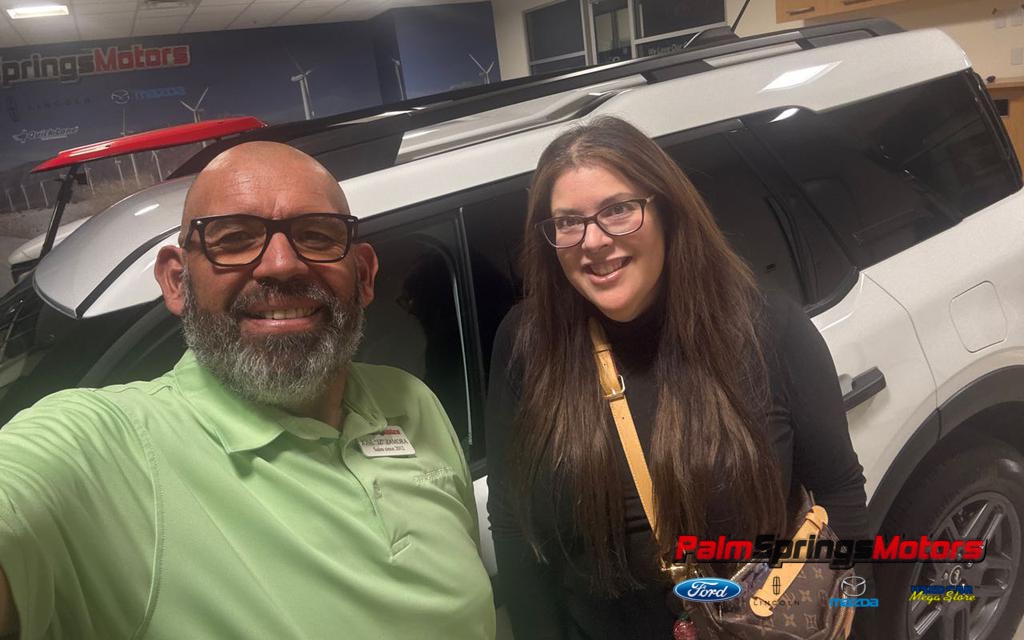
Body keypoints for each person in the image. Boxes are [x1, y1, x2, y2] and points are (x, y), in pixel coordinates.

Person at [0, 142, 495, 640]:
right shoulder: (108, 449)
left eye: (316, 235)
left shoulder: (411, 401)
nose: (281, 264)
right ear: (177, 282)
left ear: (364, 276)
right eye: (234, 238)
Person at [485, 118, 868, 640]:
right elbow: (510, 522)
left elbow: (839, 494)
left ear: (665, 209)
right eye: (568, 222)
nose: (593, 241)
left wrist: (843, 618)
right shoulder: (527, 343)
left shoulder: (766, 329)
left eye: (618, 210)